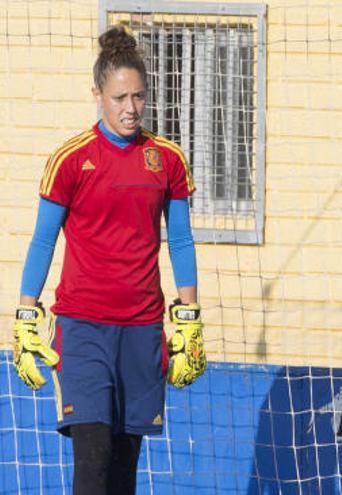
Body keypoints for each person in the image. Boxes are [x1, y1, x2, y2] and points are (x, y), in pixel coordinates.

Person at [11, 25, 206, 494]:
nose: (131, 108)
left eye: (139, 96)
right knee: (93, 462)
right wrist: (23, 315)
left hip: (142, 330)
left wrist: (190, 319)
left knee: (123, 469)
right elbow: (42, 242)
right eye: (120, 97)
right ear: (98, 94)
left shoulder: (168, 160)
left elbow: (180, 241)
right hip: (83, 330)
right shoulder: (71, 160)